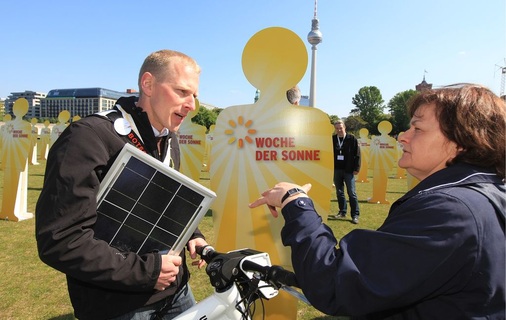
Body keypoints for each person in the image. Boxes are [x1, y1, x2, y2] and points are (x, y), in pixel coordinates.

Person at [249, 84, 505, 319]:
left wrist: (296, 202)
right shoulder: (487, 193)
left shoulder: (451, 212)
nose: (402, 136)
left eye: (417, 128)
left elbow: (336, 282)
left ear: (461, 142)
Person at [35, 49, 209, 320]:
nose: (192, 105)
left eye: (194, 96)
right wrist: (148, 271)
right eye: (182, 92)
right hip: (117, 306)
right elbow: (61, 240)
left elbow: (165, 202)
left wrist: (193, 233)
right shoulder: (87, 138)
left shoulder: (170, 139)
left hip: (176, 293)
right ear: (148, 84)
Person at [328, 120, 361, 223]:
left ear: (344, 127)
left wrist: (357, 168)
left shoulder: (352, 139)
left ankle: (355, 215)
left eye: (340, 128)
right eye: (337, 128)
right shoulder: (332, 139)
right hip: (337, 169)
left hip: (349, 170)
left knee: (352, 193)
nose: (339, 130)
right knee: (339, 192)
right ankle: (342, 211)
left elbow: (358, 154)